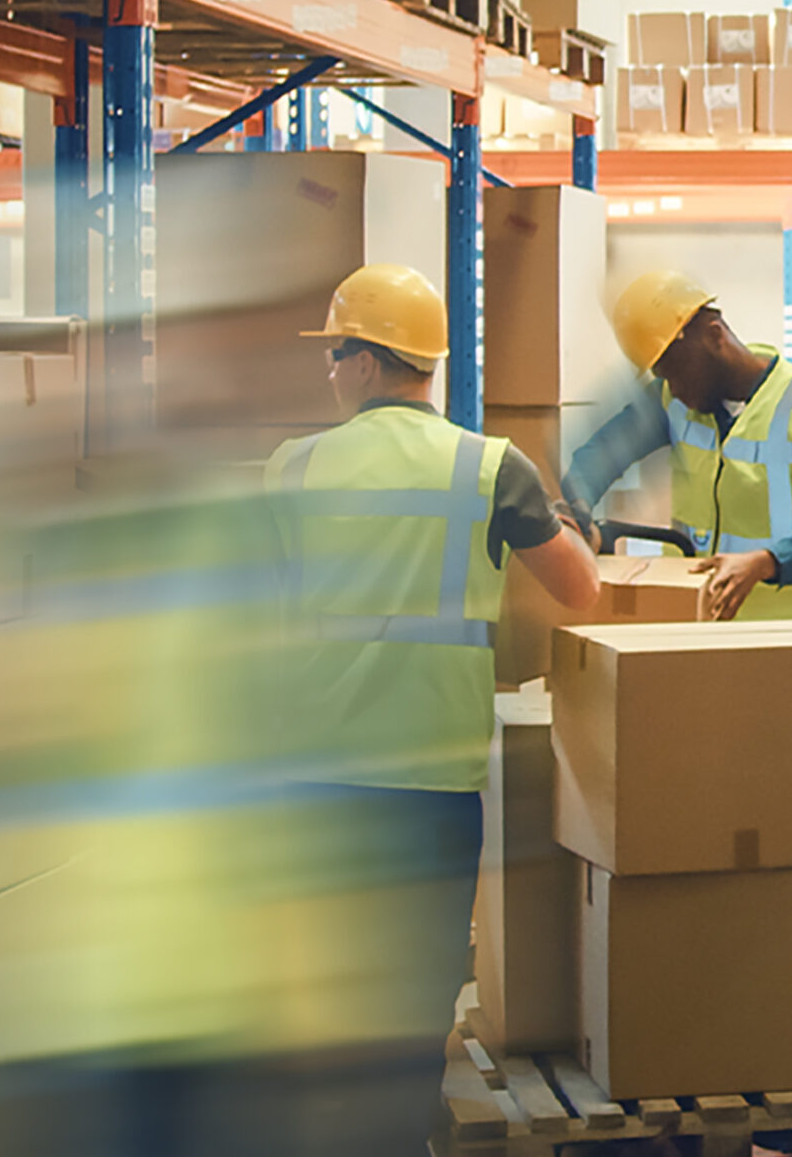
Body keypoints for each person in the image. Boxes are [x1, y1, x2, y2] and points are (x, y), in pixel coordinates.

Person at [263, 263, 599, 1155]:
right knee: (418, 984)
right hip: (432, 780)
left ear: (370, 364)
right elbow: (582, 589)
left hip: (317, 772)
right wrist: (552, 518)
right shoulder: (490, 467)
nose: (331, 374)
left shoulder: (292, 469)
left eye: (337, 356)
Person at [556, 269, 792, 623]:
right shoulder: (672, 400)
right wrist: (578, 513)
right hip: (700, 627)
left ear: (715, 337)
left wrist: (766, 562)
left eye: (678, 370)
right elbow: (598, 457)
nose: (675, 388)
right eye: (662, 376)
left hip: (791, 635)